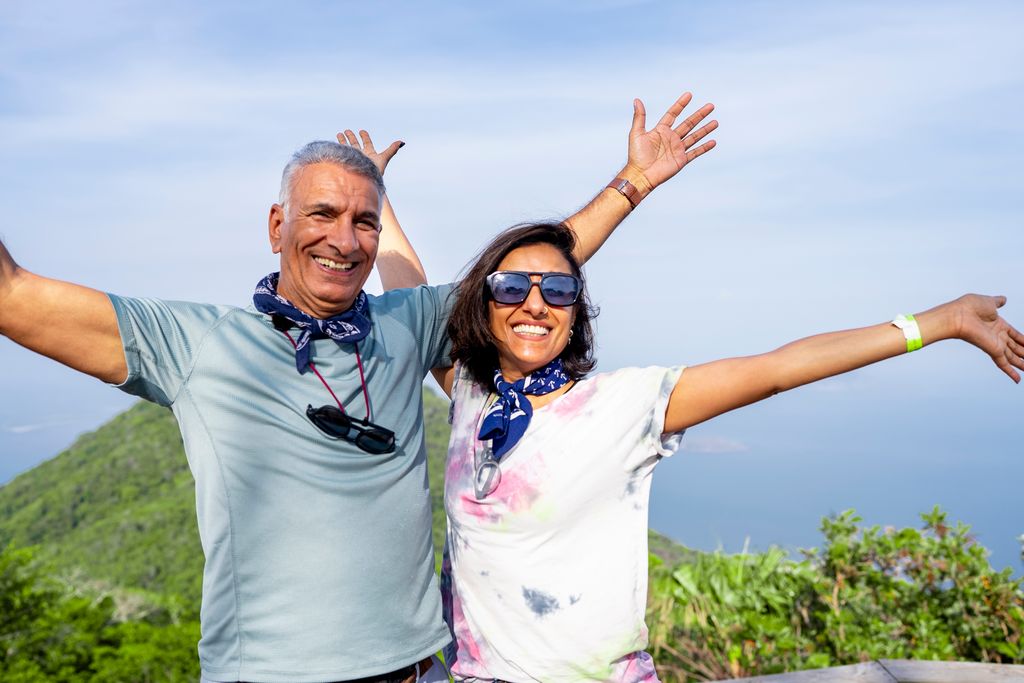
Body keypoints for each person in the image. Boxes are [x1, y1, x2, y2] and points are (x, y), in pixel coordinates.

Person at [0, 91, 716, 683]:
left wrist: (633, 185)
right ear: (278, 224)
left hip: (414, 671)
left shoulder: (405, 323)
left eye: (363, 221)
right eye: (321, 214)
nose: (343, 239)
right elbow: (15, 298)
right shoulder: (197, 344)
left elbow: (527, 277)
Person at [379, 225, 1022, 680]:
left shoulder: (623, 405)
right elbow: (414, 300)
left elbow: (776, 368)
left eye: (560, 291)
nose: (535, 304)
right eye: (512, 288)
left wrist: (938, 323)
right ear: (484, 305)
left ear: (578, 314)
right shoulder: (468, 391)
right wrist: (377, 202)